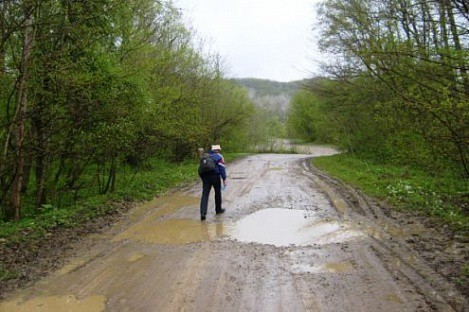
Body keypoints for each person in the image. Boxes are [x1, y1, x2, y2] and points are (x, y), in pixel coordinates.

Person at [199, 144, 227, 221]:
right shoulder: (219, 156)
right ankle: (218, 210)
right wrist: (224, 178)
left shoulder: (205, 156)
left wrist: (203, 178)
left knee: (205, 194)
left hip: (205, 177)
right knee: (217, 193)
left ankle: (202, 213)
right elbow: (222, 168)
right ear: (218, 150)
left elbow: (201, 168)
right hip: (215, 176)